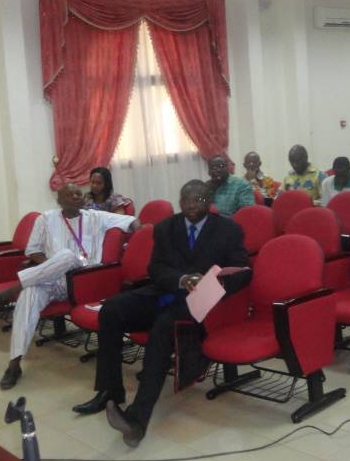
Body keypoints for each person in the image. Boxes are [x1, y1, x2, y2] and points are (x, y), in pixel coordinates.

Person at [75, 181, 252, 447]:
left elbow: (243, 271)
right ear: (180, 201)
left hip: (200, 303)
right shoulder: (165, 228)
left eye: (199, 199)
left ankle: (136, 421)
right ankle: (110, 391)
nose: (192, 205)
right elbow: (156, 269)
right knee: (111, 310)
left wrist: (213, 283)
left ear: (209, 201)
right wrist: (181, 279)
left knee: (163, 327)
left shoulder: (228, 229)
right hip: (165, 293)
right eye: (187, 200)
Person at [0, 184, 141, 390]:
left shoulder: (97, 216)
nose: (76, 197)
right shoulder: (45, 219)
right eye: (70, 194)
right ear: (59, 201)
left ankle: (12, 289)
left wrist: (141, 233)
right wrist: (51, 267)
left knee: (68, 256)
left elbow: (132, 221)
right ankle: (14, 364)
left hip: (84, 280)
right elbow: (33, 251)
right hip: (52, 280)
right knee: (29, 295)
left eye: (78, 194)